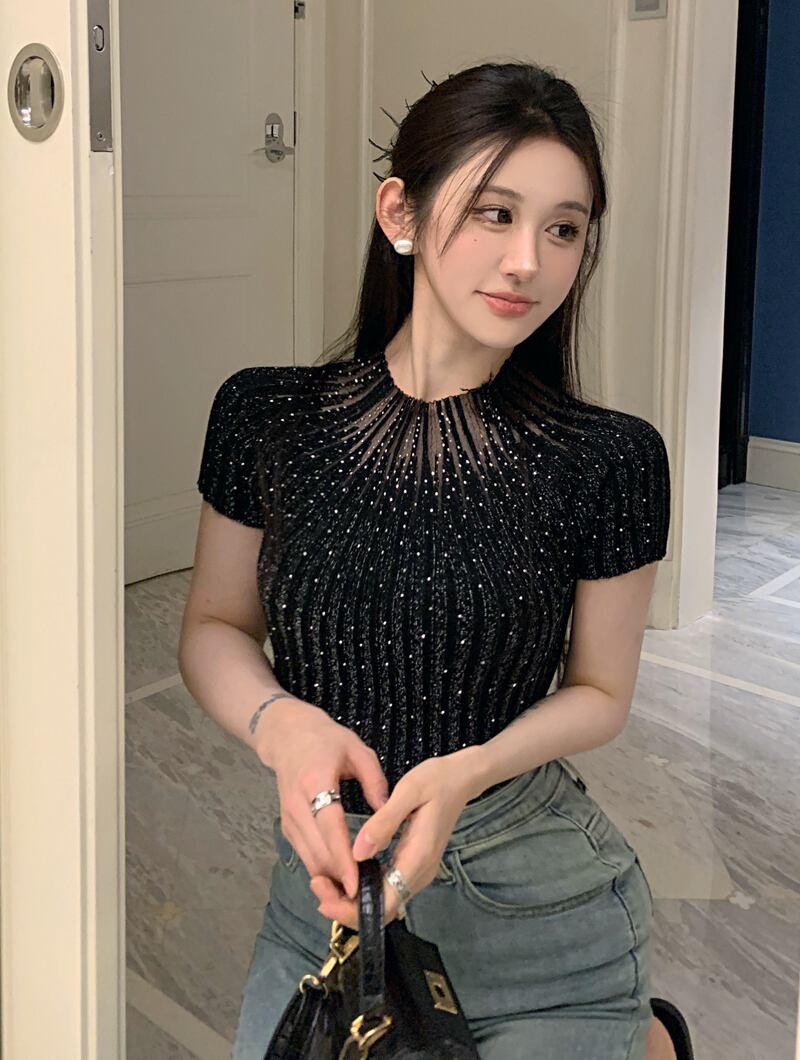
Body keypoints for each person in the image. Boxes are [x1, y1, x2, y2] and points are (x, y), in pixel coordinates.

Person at [180, 60, 674, 1060]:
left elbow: (599, 692)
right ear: (399, 212)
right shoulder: (266, 415)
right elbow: (214, 626)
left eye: (563, 229)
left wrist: (468, 771)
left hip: (536, 906)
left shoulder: (608, 458)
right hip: (328, 903)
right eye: (495, 213)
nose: (528, 261)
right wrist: (284, 728)